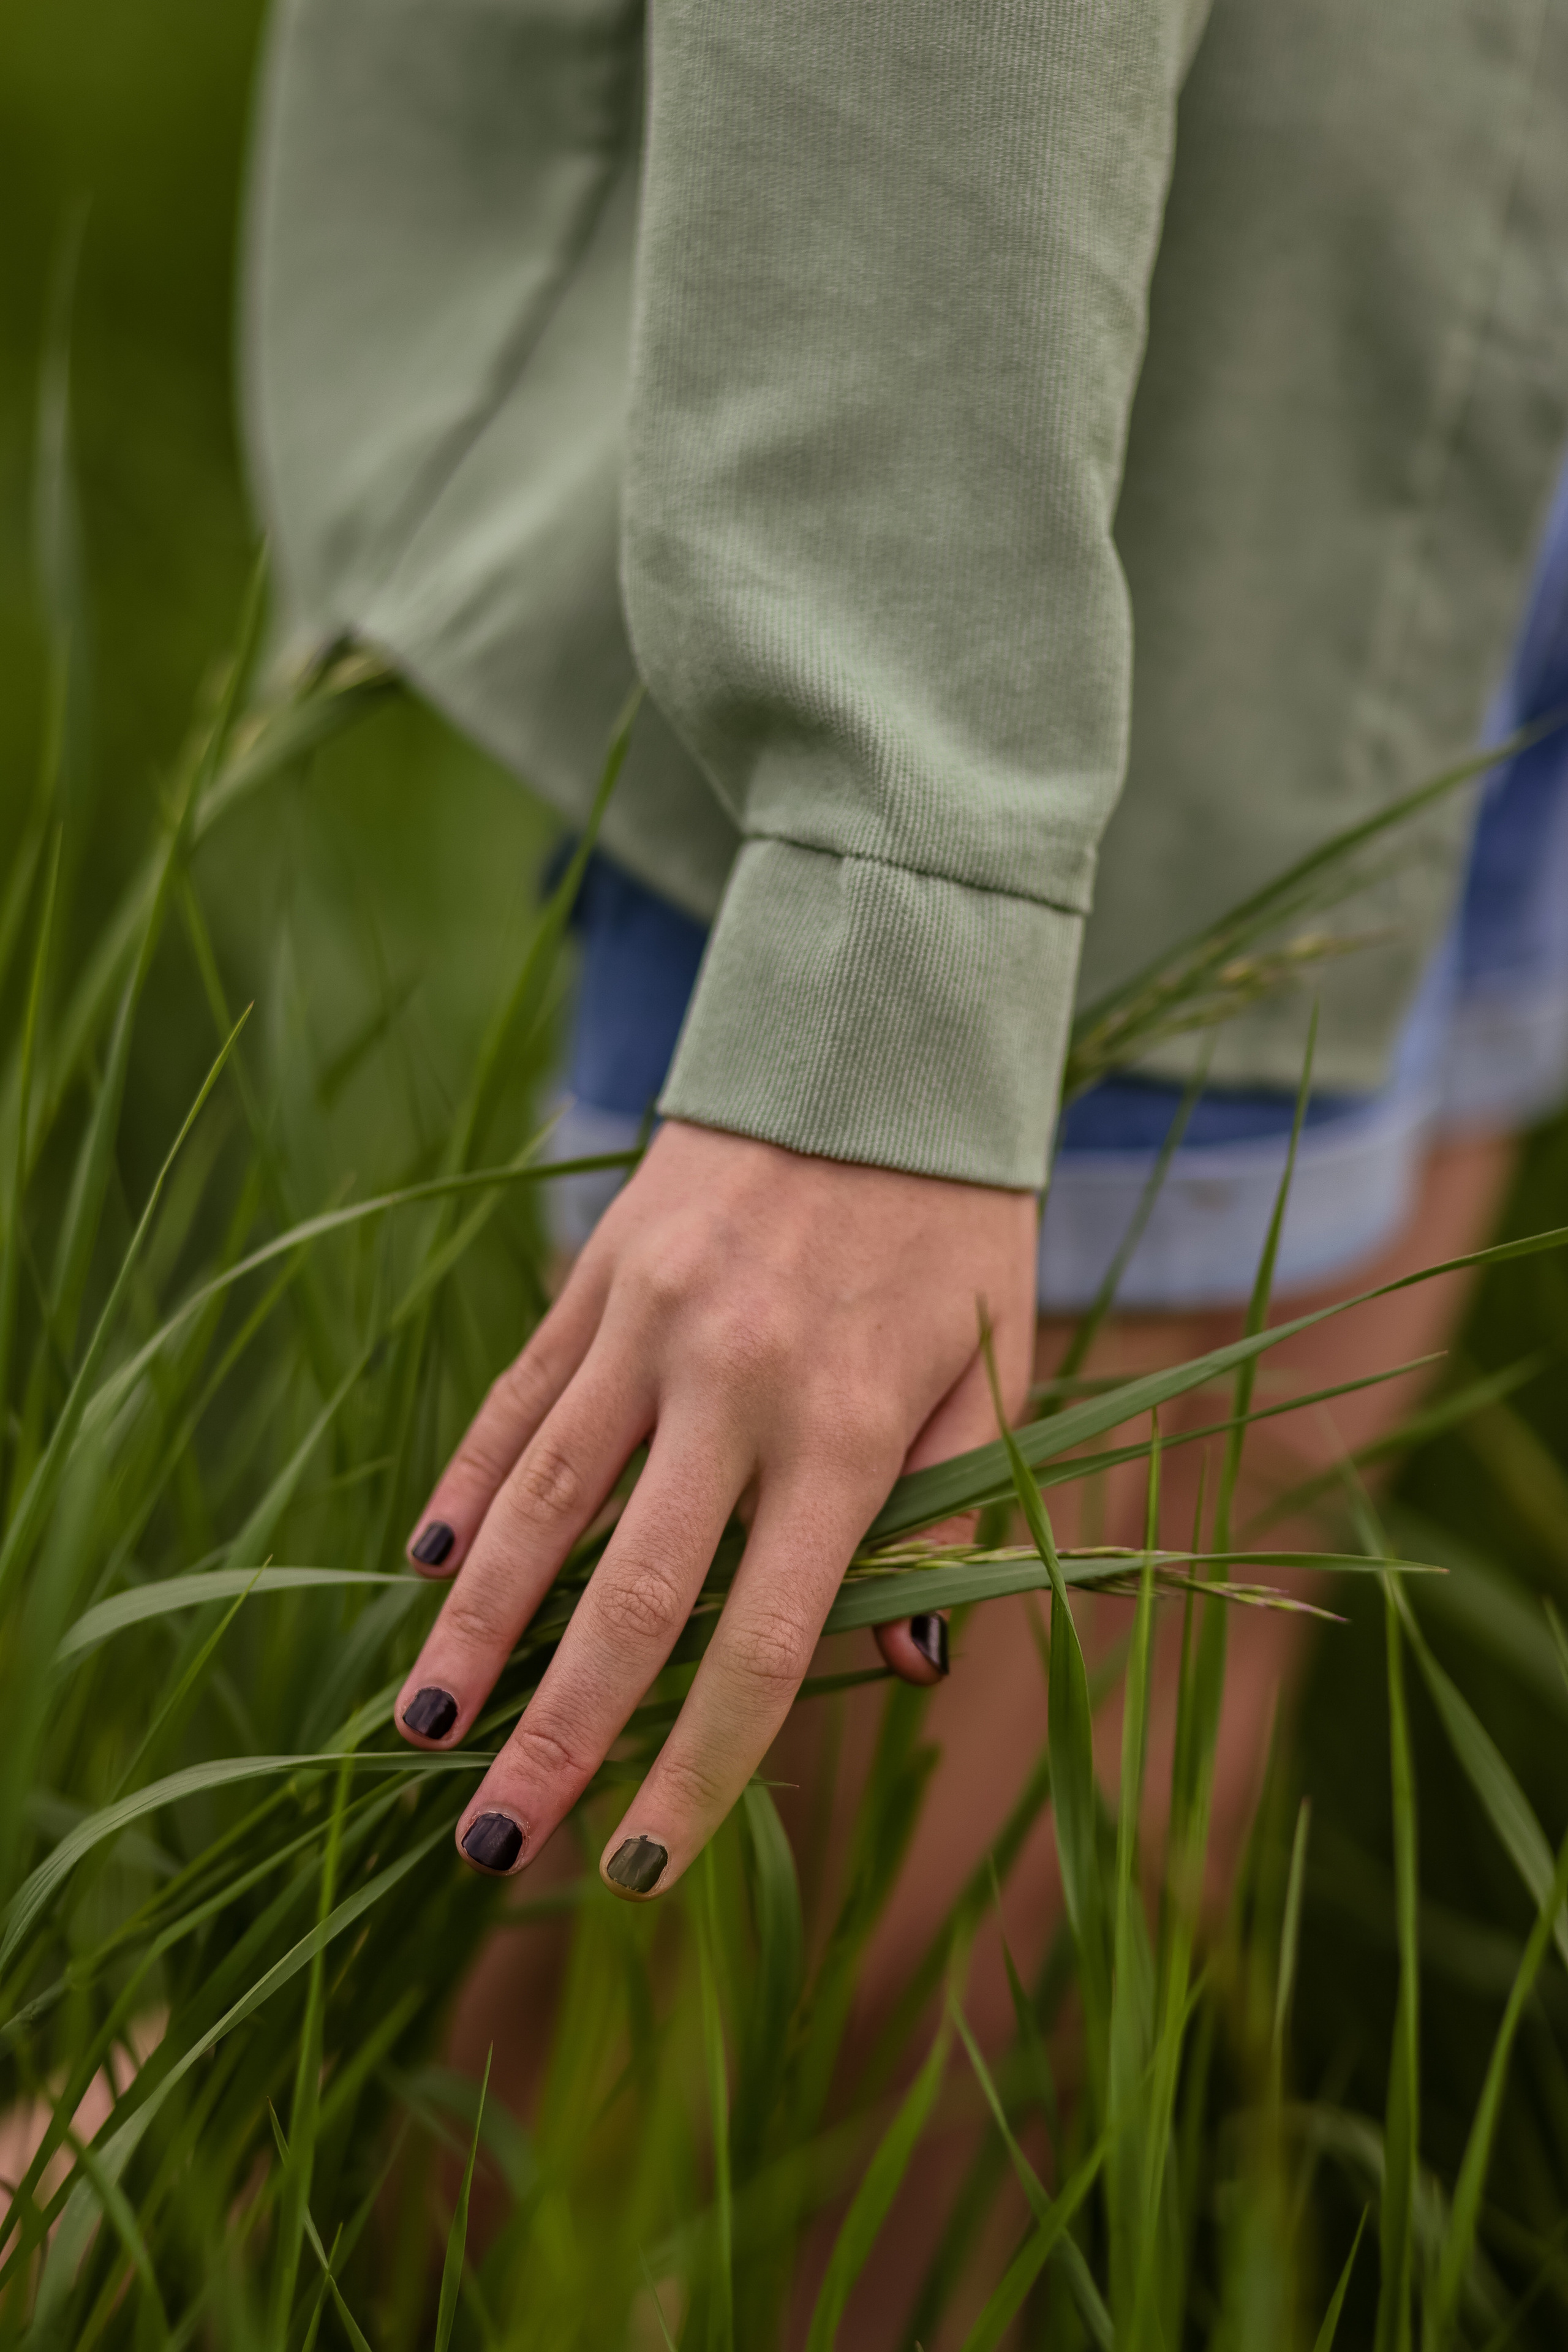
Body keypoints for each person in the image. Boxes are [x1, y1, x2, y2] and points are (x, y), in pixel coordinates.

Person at [243, 0, 1568, 1937]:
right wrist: (901, 890)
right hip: (1089, 465)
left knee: (1118, 1856)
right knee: (696, 2060)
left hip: (1467, 309)